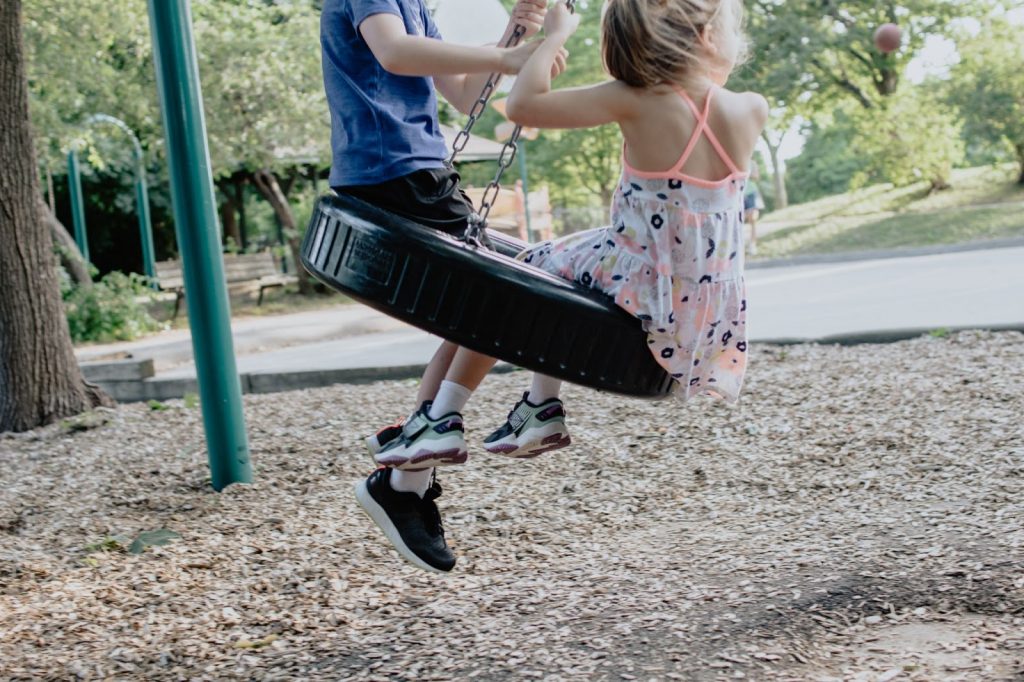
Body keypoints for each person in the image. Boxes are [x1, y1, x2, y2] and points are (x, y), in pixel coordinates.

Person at [363, 0, 768, 573]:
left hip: (635, 278)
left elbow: (522, 106)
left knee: (523, 277)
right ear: (705, 36)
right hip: (700, 316)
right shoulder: (751, 108)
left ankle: (449, 414)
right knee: (554, 278)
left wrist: (552, 37)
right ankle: (537, 405)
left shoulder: (633, 99)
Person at [322, 0, 567, 574]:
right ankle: (413, 476)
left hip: (418, 173)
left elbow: (464, 96)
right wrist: (508, 54)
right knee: (506, 299)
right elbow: (393, 52)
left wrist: (521, 34)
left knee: (480, 315)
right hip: (394, 174)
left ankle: (408, 478)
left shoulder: (417, 7)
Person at [743, 166, 766, 255]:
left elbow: (756, 176)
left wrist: (746, 172)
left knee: (753, 219)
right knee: (739, 221)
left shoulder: (752, 163)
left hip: (751, 193)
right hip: (738, 193)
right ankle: (741, 245)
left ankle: (753, 245)